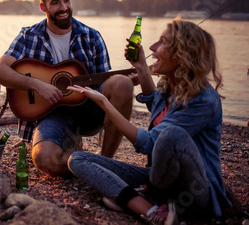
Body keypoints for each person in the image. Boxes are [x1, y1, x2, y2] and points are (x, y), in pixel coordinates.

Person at [67, 20, 232, 224]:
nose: (152, 47)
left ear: (182, 55)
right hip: (158, 179)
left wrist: (105, 103)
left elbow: (150, 143)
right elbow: (157, 108)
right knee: (78, 159)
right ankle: (150, 209)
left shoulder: (203, 100)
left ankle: (138, 198)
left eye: (162, 42)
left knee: (171, 134)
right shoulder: (169, 87)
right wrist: (142, 67)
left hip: (195, 192)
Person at [0, 0, 134, 177]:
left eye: (66, 0)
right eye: (55, 2)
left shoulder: (92, 37)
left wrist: (133, 78)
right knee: (44, 159)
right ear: (43, 7)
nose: (64, 7)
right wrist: (37, 85)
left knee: (122, 83)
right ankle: (80, 158)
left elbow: (107, 84)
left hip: (89, 109)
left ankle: (105, 162)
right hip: (51, 113)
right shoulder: (28, 36)